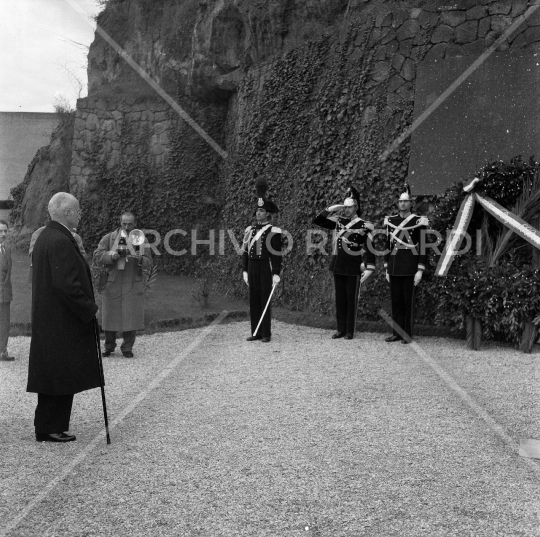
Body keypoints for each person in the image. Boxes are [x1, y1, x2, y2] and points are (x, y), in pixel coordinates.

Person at [27, 192, 101, 442]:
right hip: (60, 321)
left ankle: (49, 425)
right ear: (66, 212)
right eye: (77, 210)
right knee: (58, 374)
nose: (80, 214)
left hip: (51, 319)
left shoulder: (47, 237)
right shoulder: (59, 240)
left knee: (54, 374)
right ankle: (50, 427)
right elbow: (66, 284)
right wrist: (88, 308)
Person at [313, 186, 376, 339]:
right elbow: (318, 220)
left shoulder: (365, 225)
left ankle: (349, 330)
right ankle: (341, 329)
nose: (347, 210)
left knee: (351, 298)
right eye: (345, 207)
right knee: (340, 298)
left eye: (350, 207)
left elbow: (370, 247)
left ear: (356, 207)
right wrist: (333, 208)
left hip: (353, 263)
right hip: (339, 263)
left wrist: (370, 266)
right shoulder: (339, 222)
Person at [93, 211, 152, 358]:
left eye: (130, 224)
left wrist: (139, 259)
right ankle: (109, 346)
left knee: (130, 315)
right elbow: (97, 256)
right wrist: (110, 256)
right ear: (120, 223)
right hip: (113, 282)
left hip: (132, 281)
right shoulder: (109, 238)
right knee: (109, 316)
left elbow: (149, 262)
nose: (126, 226)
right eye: (124, 223)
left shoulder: (141, 240)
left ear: (135, 224)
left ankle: (127, 347)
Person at [383, 183, 428, 344]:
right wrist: (387, 267)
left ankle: (407, 334)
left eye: (405, 201)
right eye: (400, 201)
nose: (402, 204)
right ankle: (397, 332)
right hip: (394, 265)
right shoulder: (391, 220)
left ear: (411, 203)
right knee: (396, 302)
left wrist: (420, 270)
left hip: (410, 266)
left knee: (408, 303)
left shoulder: (418, 221)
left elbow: (423, 246)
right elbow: (387, 245)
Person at [242, 179, 283, 343]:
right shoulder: (249, 230)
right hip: (252, 267)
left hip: (265, 267)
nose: (258, 213)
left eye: (261, 211)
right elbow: (245, 251)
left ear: (268, 213)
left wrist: (276, 273)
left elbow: (276, 254)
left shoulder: (273, 231)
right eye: (257, 210)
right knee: (254, 300)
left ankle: (266, 333)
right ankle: (256, 332)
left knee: (265, 298)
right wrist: (245, 269)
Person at [0, 220, 14, 361]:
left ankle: (2, 350)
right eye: (0, 231)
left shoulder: (7, 249)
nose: (3, 234)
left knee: (4, 323)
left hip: (5, 293)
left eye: (5, 231)